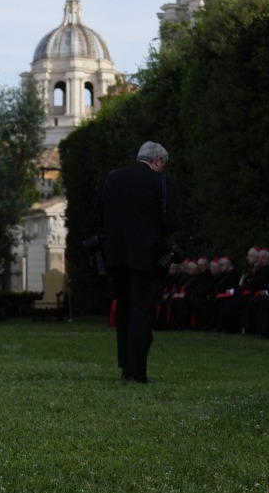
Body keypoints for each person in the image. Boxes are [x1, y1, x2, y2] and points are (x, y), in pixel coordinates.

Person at [94, 141, 177, 384]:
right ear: (158, 161)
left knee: (124, 310)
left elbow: (98, 214)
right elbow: (171, 221)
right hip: (145, 258)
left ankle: (125, 366)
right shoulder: (159, 181)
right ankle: (136, 372)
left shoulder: (113, 178)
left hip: (116, 256)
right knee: (141, 312)